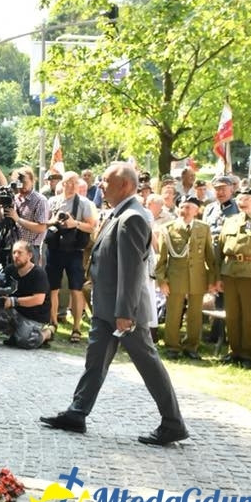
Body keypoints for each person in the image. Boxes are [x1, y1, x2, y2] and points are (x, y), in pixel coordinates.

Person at [40, 163, 188, 446]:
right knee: (95, 361)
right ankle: (77, 412)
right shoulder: (119, 213)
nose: (101, 185)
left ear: (126, 186)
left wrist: (124, 313)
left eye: (107, 181)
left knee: (148, 364)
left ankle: (173, 422)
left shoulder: (132, 217)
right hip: (108, 307)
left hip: (123, 312)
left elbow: (131, 272)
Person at [216, 188, 251, 368]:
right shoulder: (230, 221)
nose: (243, 201)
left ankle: (248, 355)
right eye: (240, 198)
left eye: (247, 198)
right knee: (231, 315)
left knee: (249, 317)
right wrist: (217, 277)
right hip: (230, 272)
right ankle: (234, 351)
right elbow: (219, 250)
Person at [155, 197, 217, 359]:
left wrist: (212, 280)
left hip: (198, 277)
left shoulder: (204, 228)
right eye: (182, 207)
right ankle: (172, 346)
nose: (185, 210)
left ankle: (191, 347)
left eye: (189, 207)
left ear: (197, 211)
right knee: (173, 313)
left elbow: (210, 256)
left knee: (195, 315)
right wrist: (162, 280)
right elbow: (161, 258)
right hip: (175, 277)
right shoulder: (168, 228)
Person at [44, 171, 98, 342]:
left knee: (76, 289)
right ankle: (53, 323)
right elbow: (45, 222)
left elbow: (91, 227)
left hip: (74, 251)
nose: (70, 185)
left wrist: (74, 223)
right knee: (53, 288)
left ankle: (76, 328)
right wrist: (55, 221)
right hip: (54, 249)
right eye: (67, 182)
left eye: (74, 182)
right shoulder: (53, 201)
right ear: (63, 184)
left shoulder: (84, 203)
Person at [0, 240, 55, 349]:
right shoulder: (10, 269)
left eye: (19, 253)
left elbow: (38, 299)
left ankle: (47, 332)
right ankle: (15, 335)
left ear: (29, 255)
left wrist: (13, 301)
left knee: (26, 342)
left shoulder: (38, 273)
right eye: (14, 252)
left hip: (35, 316)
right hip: (16, 311)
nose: (16, 256)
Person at [0, 167, 49, 262]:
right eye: (19, 183)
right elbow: (0, 219)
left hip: (30, 248)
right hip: (13, 246)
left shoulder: (40, 200)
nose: (22, 186)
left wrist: (17, 219)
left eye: (24, 182)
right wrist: (1, 207)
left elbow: (41, 228)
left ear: (32, 181)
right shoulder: (14, 199)